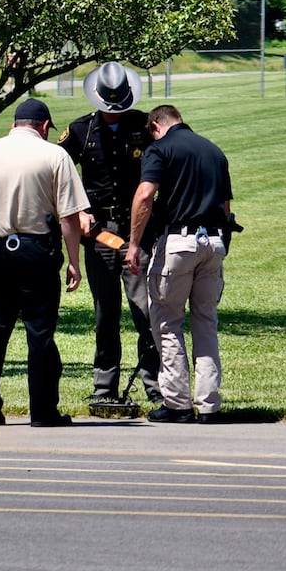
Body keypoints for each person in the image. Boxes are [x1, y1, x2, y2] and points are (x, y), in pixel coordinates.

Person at [0, 98, 88, 427]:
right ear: (44, 127)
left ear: (14, 124)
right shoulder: (55, 155)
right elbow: (70, 217)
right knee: (40, 333)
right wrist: (74, 261)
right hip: (36, 250)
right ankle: (42, 410)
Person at [58, 62, 161, 406]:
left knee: (144, 309)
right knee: (106, 312)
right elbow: (57, 174)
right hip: (99, 235)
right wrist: (77, 211)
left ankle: (155, 383)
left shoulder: (145, 127)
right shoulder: (80, 131)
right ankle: (105, 387)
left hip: (138, 233)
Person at [126, 105, 233, 424]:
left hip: (179, 242)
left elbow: (145, 195)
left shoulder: (160, 149)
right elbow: (226, 207)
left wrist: (133, 244)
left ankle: (177, 403)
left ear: (156, 125)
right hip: (213, 242)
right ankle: (209, 404)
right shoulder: (214, 150)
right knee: (205, 321)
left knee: (167, 321)